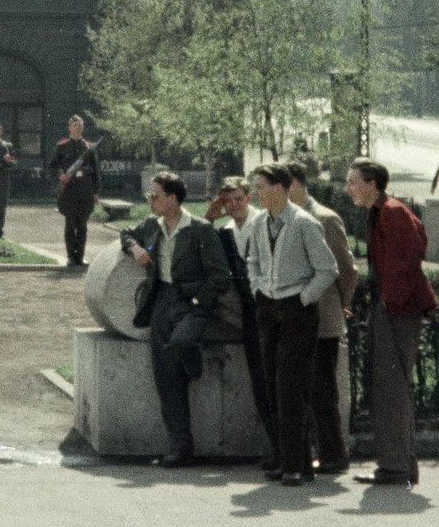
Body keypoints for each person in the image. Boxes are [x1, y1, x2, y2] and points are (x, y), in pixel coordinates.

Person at [120, 170, 232, 468]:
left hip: (191, 302)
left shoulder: (199, 229)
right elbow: (126, 233)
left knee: (182, 343)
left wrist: (198, 302)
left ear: (172, 198)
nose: (150, 200)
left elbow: (220, 277)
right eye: (149, 196)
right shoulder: (152, 226)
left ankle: (192, 365)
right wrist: (134, 248)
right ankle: (180, 447)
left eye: (155, 196)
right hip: (161, 301)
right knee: (166, 378)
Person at [243, 165, 338, 485]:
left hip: (297, 310)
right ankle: (286, 459)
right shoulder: (259, 222)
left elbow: (327, 269)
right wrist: (258, 287)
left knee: (291, 387)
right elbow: (253, 260)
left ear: (281, 188)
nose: (256, 192)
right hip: (268, 308)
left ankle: (296, 464)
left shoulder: (304, 223)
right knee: (271, 384)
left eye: (261, 186)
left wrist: (303, 299)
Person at [344, 158, 436, 487]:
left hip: (397, 310)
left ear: (371, 184)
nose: (347, 188)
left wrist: (389, 303)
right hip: (393, 307)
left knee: (390, 389)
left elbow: (410, 257)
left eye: (352, 181)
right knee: (389, 388)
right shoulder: (383, 211)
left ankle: (395, 467)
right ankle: (398, 464)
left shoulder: (392, 211)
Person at [288, 161, 358, 475]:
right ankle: (313, 450)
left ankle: (334, 453)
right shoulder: (281, 218)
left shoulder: (325, 218)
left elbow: (346, 268)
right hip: (294, 317)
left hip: (323, 316)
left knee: (322, 390)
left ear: (294, 184)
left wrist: (342, 302)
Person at [204, 178, 276, 466]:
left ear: (249, 198)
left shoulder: (264, 223)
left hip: (272, 306)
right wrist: (208, 219)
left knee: (276, 378)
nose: (233, 205)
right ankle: (276, 447)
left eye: (238, 199)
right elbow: (202, 246)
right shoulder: (225, 232)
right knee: (259, 379)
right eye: (227, 201)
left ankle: (289, 449)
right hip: (249, 311)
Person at [52, 115, 100, 268]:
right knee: (70, 224)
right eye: (75, 126)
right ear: (69, 128)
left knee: (83, 226)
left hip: (85, 190)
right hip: (69, 191)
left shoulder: (89, 148)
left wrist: (95, 191)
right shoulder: (62, 147)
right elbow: (52, 166)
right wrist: (61, 175)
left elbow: (96, 172)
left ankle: (81, 256)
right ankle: (71, 257)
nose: (78, 128)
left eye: (80, 126)